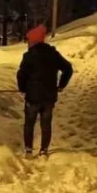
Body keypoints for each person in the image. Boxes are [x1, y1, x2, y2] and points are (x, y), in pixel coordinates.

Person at [17, 24, 73, 157]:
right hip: (49, 97)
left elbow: (21, 75)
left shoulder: (28, 56)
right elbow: (68, 69)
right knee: (46, 124)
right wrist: (61, 85)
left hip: (33, 97)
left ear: (33, 41)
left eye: (29, 40)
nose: (28, 43)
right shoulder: (53, 54)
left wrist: (23, 88)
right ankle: (43, 150)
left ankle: (29, 150)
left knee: (29, 124)